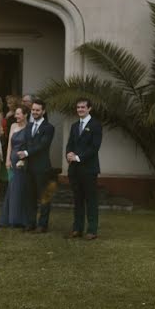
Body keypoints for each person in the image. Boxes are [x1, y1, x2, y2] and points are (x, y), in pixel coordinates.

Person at [66, 98, 103, 239]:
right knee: (78, 200)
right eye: (78, 107)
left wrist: (78, 157)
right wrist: (68, 154)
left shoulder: (96, 125)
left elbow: (95, 147)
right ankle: (77, 229)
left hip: (89, 169)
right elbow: (70, 144)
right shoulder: (75, 126)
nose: (80, 109)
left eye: (83, 107)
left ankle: (92, 230)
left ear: (89, 108)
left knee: (91, 200)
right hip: (74, 170)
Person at [16, 98, 55, 233]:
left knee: (44, 197)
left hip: (42, 168)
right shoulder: (28, 126)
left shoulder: (49, 128)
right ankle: (30, 223)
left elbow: (42, 145)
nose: (35, 112)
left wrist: (26, 153)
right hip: (29, 167)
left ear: (43, 111)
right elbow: (25, 143)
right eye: (33, 110)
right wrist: (21, 158)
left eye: (38, 110)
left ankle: (43, 225)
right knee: (30, 197)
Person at [0, 105, 29, 228]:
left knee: (19, 189)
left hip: (22, 163)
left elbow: (29, 146)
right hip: (12, 162)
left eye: (18, 114)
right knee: (11, 188)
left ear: (25, 115)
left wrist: (24, 161)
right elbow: (10, 145)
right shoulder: (13, 126)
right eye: (16, 114)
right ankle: (9, 218)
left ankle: (19, 219)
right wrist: (7, 160)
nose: (16, 116)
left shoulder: (29, 128)